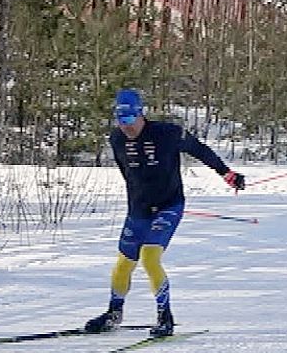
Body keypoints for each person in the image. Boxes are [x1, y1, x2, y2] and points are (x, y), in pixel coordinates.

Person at [86, 88, 246, 337]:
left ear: (141, 115)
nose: (125, 126)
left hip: (169, 205)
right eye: (120, 120)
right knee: (123, 265)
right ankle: (113, 314)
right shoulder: (116, 139)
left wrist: (226, 173)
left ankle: (165, 317)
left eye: (129, 119)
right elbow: (130, 175)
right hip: (138, 209)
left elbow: (199, 149)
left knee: (150, 257)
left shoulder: (167, 133)